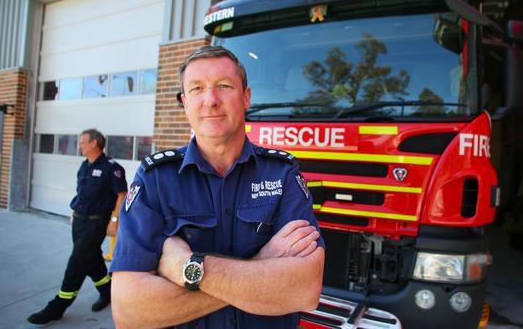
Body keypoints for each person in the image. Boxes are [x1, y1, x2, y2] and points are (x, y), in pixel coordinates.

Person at [110, 46, 325, 328]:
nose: (210, 100)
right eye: (197, 88)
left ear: (246, 98)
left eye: (224, 86)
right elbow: (130, 312)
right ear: (185, 102)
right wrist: (262, 262)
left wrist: (185, 266)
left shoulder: (283, 174)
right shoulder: (155, 180)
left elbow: (304, 289)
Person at [27, 129, 127, 324]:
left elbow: (122, 195)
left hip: (96, 222)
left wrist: (114, 221)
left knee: (77, 262)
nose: (79, 146)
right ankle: (108, 292)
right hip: (80, 220)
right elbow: (82, 194)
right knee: (91, 258)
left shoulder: (111, 168)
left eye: (82, 142)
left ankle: (58, 306)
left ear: (94, 144)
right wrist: (75, 214)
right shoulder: (84, 166)